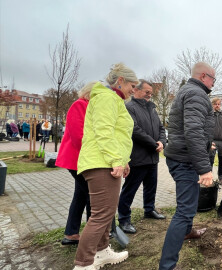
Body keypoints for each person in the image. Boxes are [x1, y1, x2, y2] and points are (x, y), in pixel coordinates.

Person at [73, 63, 138, 270]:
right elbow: (104, 131)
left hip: (106, 162)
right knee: (101, 215)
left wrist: (123, 161)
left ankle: (101, 252)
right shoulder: (106, 98)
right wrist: (116, 161)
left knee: (106, 212)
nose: (133, 90)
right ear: (120, 81)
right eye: (132, 85)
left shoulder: (113, 99)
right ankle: (83, 264)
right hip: (101, 163)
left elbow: (118, 135)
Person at [158, 62, 215, 270]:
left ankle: (188, 231)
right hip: (185, 160)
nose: (213, 84)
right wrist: (204, 168)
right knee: (184, 211)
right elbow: (193, 132)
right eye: (213, 79)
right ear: (203, 76)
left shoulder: (188, 91)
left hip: (181, 156)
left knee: (189, 203)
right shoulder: (197, 95)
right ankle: (167, 266)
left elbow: (191, 128)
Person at [118, 79, 167, 234]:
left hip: (152, 157)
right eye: (147, 92)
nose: (149, 96)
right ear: (136, 91)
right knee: (130, 189)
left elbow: (161, 127)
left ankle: (149, 209)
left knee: (151, 186)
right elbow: (134, 130)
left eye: (151, 93)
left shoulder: (152, 109)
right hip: (137, 157)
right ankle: (124, 219)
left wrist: (162, 141)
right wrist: (154, 144)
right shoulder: (129, 107)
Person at [56, 81, 97, 246]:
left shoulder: (91, 107)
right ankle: (92, 236)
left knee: (80, 196)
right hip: (77, 160)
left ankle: (71, 233)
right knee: (91, 196)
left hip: (82, 159)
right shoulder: (79, 105)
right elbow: (78, 136)